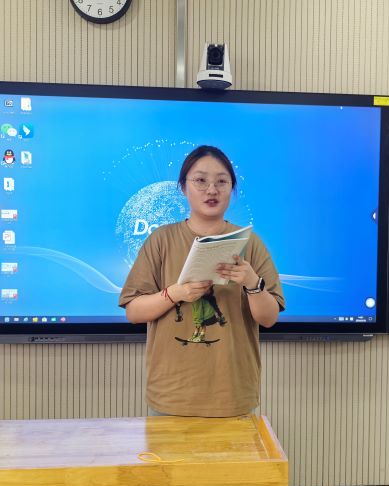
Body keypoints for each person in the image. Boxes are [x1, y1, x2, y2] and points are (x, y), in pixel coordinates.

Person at [118, 145, 285, 417]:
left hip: (232, 397)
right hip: (171, 396)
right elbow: (133, 312)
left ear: (232, 189)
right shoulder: (161, 240)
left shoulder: (250, 243)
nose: (211, 190)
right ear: (184, 187)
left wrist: (252, 283)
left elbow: (269, 318)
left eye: (222, 182)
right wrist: (175, 293)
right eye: (200, 180)